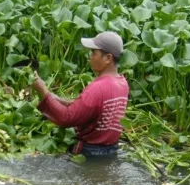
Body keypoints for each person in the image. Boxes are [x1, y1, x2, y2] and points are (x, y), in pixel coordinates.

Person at [32, 31, 130, 159]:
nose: (90, 56)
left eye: (94, 53)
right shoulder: (122, 83)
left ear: (108, 58)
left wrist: (42, 90)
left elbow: (66, 118)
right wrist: (56, 98)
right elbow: (93, 108)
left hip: (90, 152)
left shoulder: (97, 88)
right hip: (111, 149)